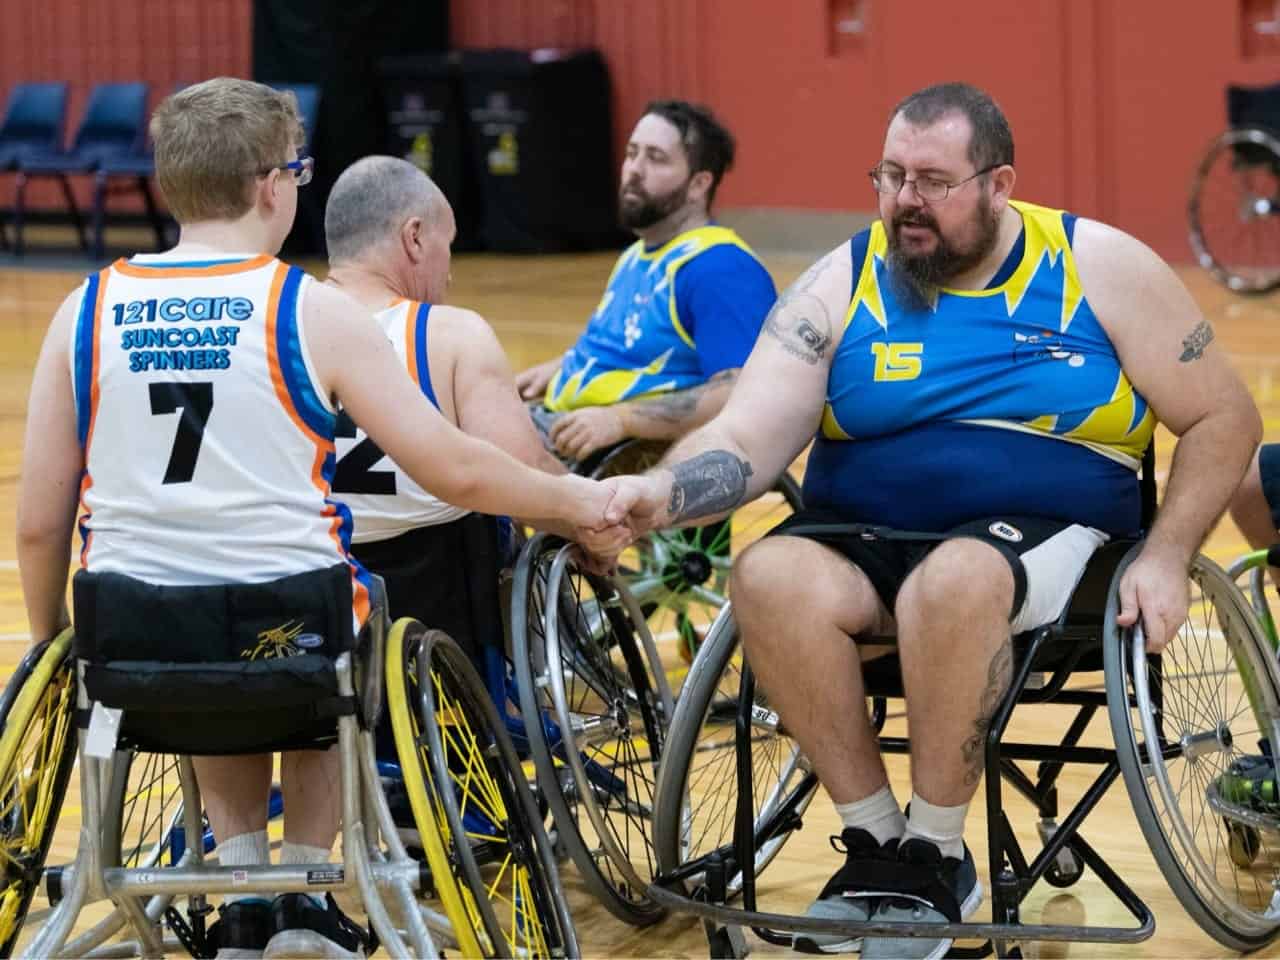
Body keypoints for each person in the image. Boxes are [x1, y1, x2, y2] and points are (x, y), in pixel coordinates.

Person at [606, 82, 1261, 958]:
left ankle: (939, 850)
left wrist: (1171, 553)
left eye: (933, 181)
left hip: (1046, 530)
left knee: (952, 579)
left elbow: (1225, 417)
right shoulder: (841, 279)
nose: (906, 201)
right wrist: (658, 495)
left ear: (998, 184)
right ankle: (881, 848)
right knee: (766, 573)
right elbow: (747, 431)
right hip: (867, 534)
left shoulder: (1096, 265)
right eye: (891, 176)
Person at [15, 78, 623, 960]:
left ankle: (246, 897)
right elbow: (453, 466)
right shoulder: (311, 310)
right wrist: (579, 502)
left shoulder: (82, 312)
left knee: (201, 638)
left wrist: (54, 649)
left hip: (130, 641)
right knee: (328, 622)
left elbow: (39, 522)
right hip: (292, 638)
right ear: (271, 186)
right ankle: (306, 892)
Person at [321, 154, 576, 645]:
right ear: (414, 237)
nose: (451, 272)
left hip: (317, 600)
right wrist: (585, 523)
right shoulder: (450, 332)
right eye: (449, 246)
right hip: (437, 598)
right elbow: (523, 472)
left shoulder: (288, 323)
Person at [515, 99, 776, 465]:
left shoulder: (719, 268)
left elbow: (739, 392)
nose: (634, 170)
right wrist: (566, 366)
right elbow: (636, 350)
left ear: (699, 184)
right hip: (563, 427)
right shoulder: (637, 255)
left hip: (611, 458)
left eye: (656, 158)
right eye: (632, 153)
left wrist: (620, 420)